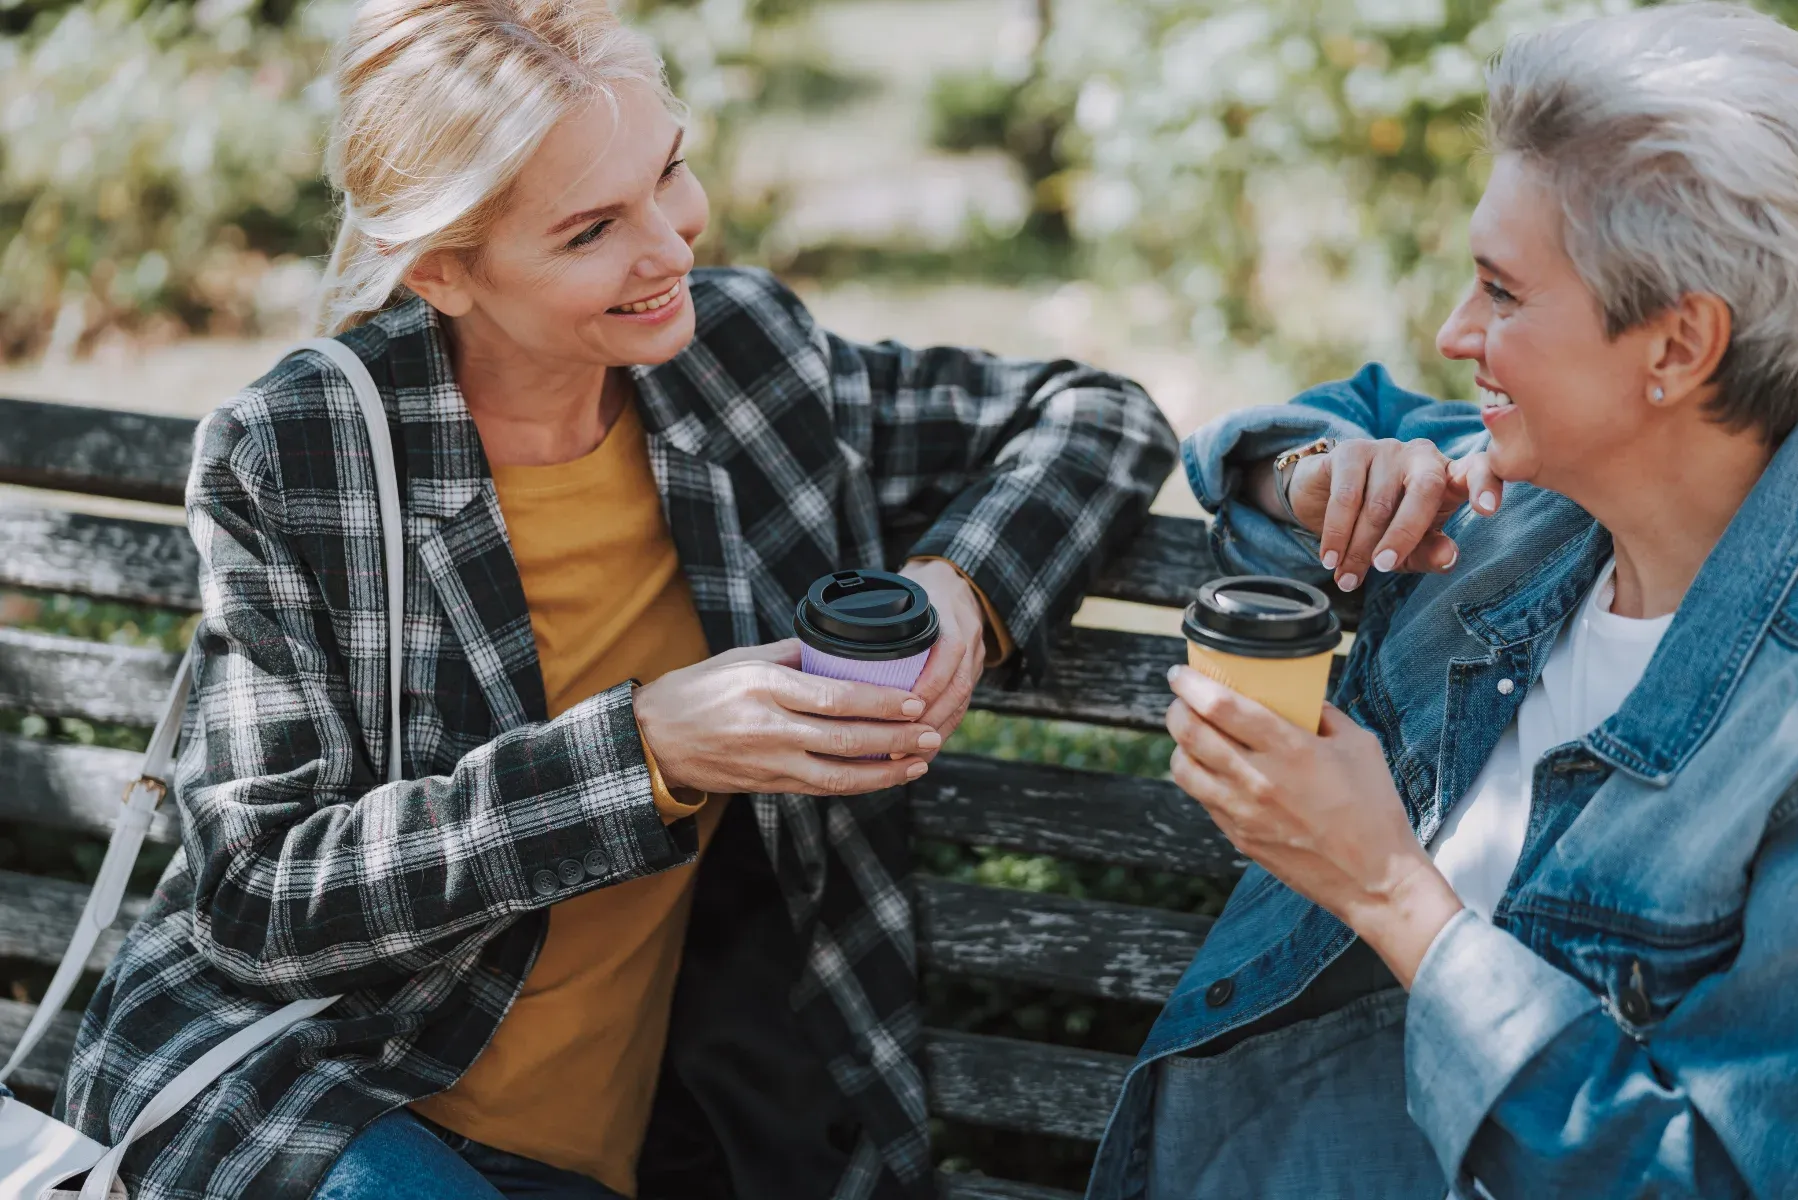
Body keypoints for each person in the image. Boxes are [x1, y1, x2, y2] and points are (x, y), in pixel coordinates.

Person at [51, 2, 1177, 1197]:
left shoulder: (744, 363)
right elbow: (257, 893)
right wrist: (639, 754)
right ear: (440, 267)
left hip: (671, 1147)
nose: (672, 246)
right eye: (593, 229)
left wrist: (963, 592)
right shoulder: (302, 452)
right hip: (329, 1101)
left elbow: (1096, 416)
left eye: (670, 172)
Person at [1087, 5, 1798, 1198]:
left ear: (1678, 348)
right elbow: (1284, 442)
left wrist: (1382, 887)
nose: (1452, 332)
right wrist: (1320, 474)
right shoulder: (1522, 509)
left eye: (1502, 294)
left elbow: (1706, 1178)